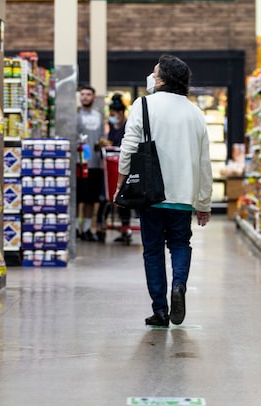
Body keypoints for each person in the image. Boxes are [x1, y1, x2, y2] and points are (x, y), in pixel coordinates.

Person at [115, 55, 213, 327]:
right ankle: (179, 285)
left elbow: (129, 147)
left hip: (150, 194)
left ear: (162, 78)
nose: (151, 75)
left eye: (154, 72)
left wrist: (121, 183)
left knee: (153, 251)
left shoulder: (143, 104)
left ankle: (160, 310)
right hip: (183, 196)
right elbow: (205, 162)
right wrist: (204, 202)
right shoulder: (195, 112)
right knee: (181, 244)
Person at [76, 86, 105, 242]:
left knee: (90, 199)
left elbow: (102, 137)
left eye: (88, 94)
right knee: (77, 198)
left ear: (94, 97)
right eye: (83, 94)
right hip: (78, 162)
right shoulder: (75, 115)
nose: (85, 97)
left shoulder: (99, 116)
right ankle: (75, 228)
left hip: (94, 163)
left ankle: (87, 228)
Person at [104, 94, 132, 244]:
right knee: (110, 198)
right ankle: (105, 226)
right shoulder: (112, 127)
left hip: (124, 166)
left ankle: (126, 227)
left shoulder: (127, 127)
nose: (112, 117)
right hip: (112, 166)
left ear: (121, 113)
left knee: (123, 197)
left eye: (114, 114)